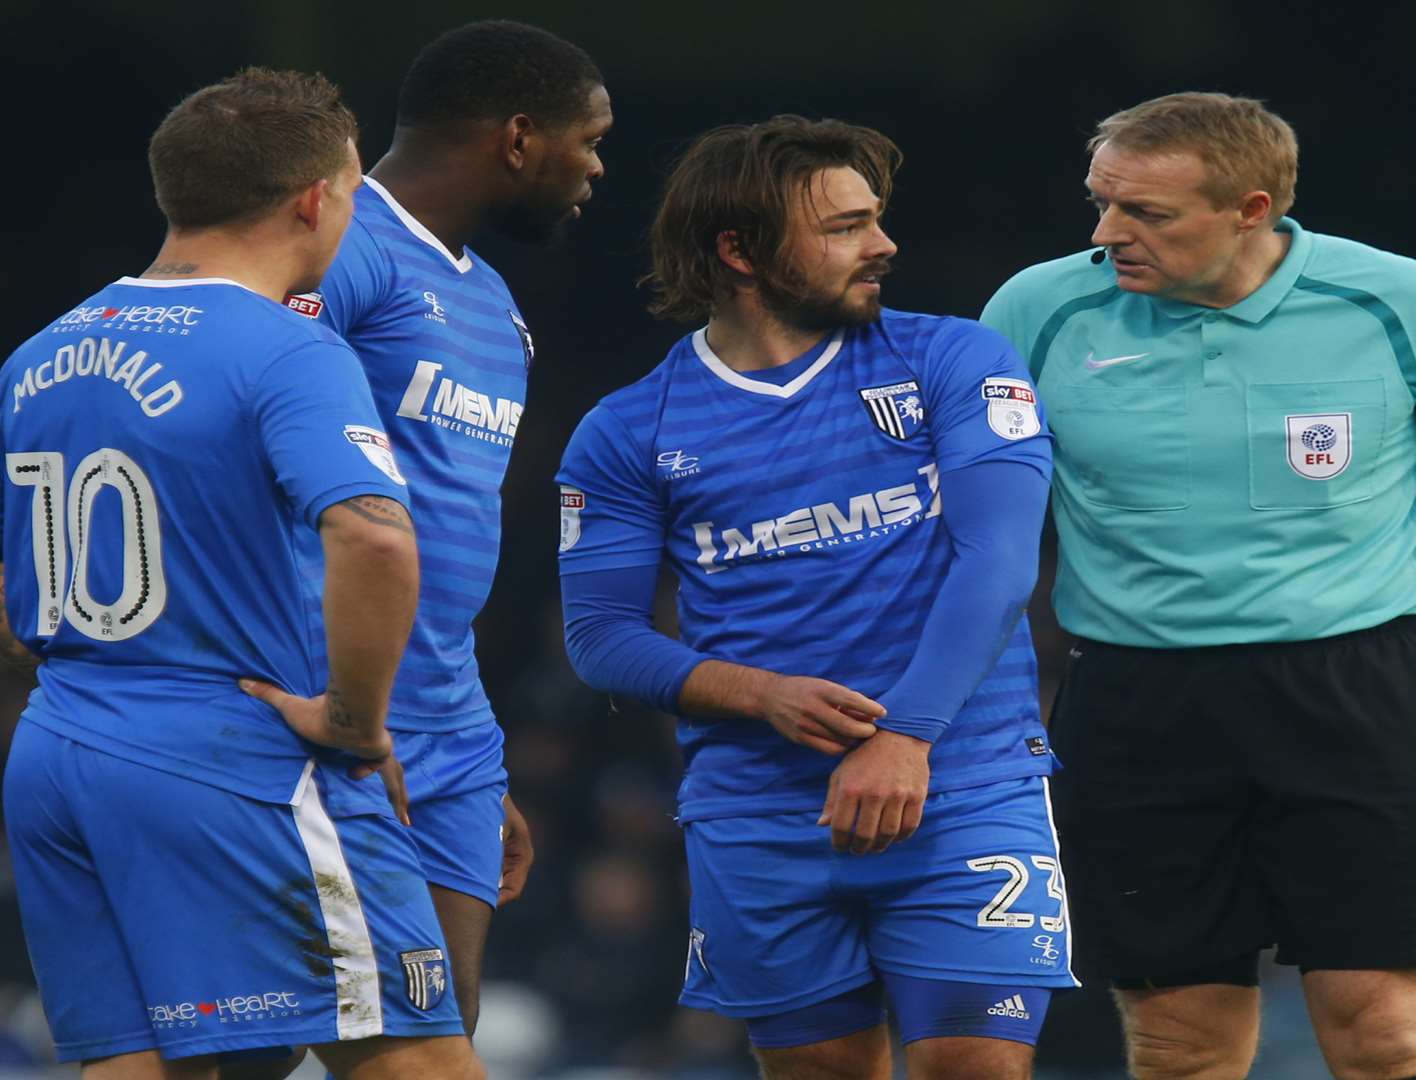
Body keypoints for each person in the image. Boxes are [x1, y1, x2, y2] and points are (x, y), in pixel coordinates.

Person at [980, 92, 1416, 1080]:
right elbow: (971, 519)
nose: (1107, 234)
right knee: (1177, 1044)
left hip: (1355, 692)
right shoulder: (1037, 310)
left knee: (1384, 1030)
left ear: (1253, 211)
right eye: (1102, 202)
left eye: (1146, 214)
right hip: (1135, 703)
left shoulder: (1400, 300)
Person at [555, 116, 1074, 1079]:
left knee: (975, 1064)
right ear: (739, 249)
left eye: (874, 219)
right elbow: (601, 636)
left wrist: (906, 735)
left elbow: (1000, 563)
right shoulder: (627, 430)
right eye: (843, 227)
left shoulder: (953, 361)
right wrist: (762, 694)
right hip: (760, 810)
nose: (883, 245)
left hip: (963, 784)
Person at [0, 69, 482, 1078]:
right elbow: (376, 537)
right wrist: (355, 720)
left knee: (140, 1069)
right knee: (417, 1059)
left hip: (59, 753)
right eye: (352, 189)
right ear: (315, 198)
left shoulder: (36, 356)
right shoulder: (285, 348)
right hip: (235, 752)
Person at [270, 18, 610, 1049]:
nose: (595, 168)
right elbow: (248, 456)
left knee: (441, 1026)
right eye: (588, 140)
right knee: (286, 1036)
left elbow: (445, 521)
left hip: (451, 727)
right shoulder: (343, 248)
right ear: (518, 137)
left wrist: (475, 751)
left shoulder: (496, 301)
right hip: (328, 700)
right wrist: (349, 704)